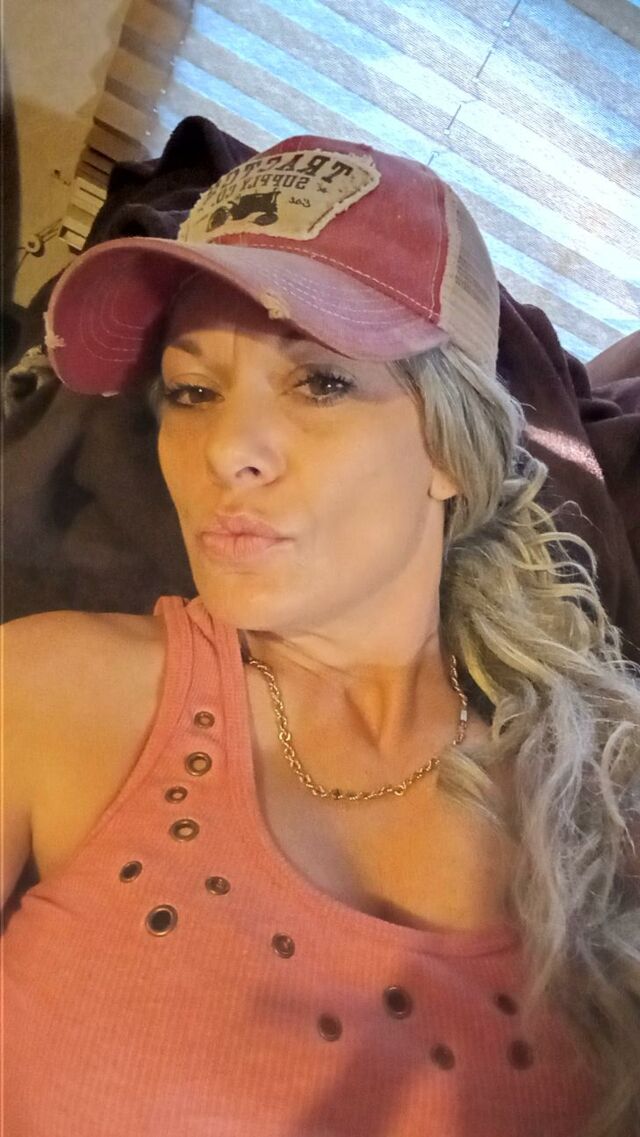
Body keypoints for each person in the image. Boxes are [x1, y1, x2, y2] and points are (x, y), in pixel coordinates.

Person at [2, 135, 639, 1137]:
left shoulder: (597, 800)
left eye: (321, 383)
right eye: (193, 391)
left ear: (450, 447)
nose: (226, 450)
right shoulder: (52, 689)